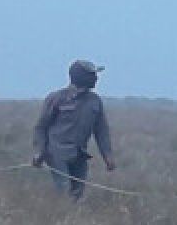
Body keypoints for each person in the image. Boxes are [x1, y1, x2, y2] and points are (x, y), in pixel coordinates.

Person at [32, 60, 115, 200]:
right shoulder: (56, 98)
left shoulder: (95, 101)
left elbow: (101, 131)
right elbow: (41, 127)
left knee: (77, 194)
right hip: (56, 153)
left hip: (79, 155)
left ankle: (73, 219)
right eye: (92, 75)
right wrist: (39, 152)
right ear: (80, 76)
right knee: (64, 191)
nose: (96, 78)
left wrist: (108, 156)